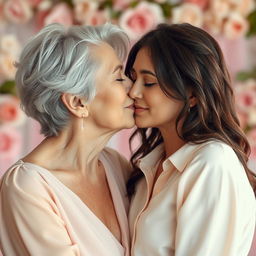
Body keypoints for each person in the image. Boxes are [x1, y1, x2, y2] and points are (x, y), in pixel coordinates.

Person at [0, 23, 134, 256]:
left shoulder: (116, 165)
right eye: (119, 78)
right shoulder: (27, 186)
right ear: (77, 102)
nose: (134, 88)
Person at [125, 23, 256, 256]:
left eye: (148, 82)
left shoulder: (212, 164)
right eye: (132, 78)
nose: (133, 92)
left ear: (193, 94)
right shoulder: (149, 167)